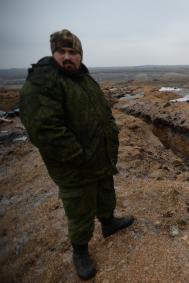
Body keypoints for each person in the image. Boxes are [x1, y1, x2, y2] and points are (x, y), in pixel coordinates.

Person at [20, 29, 134, 280]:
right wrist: (77, 155)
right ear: (54, 54)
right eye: (62, 52)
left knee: (105, 191)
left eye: (73, 52)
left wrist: (109, 135)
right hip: (75, 164)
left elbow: (101, 112)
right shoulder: (44, 82)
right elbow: (45, 130)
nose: (68, 57)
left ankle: (108, 223)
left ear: (80, 55)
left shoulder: (83, 79)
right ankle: (80, 251)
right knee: (79, 206)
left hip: (98, 155)